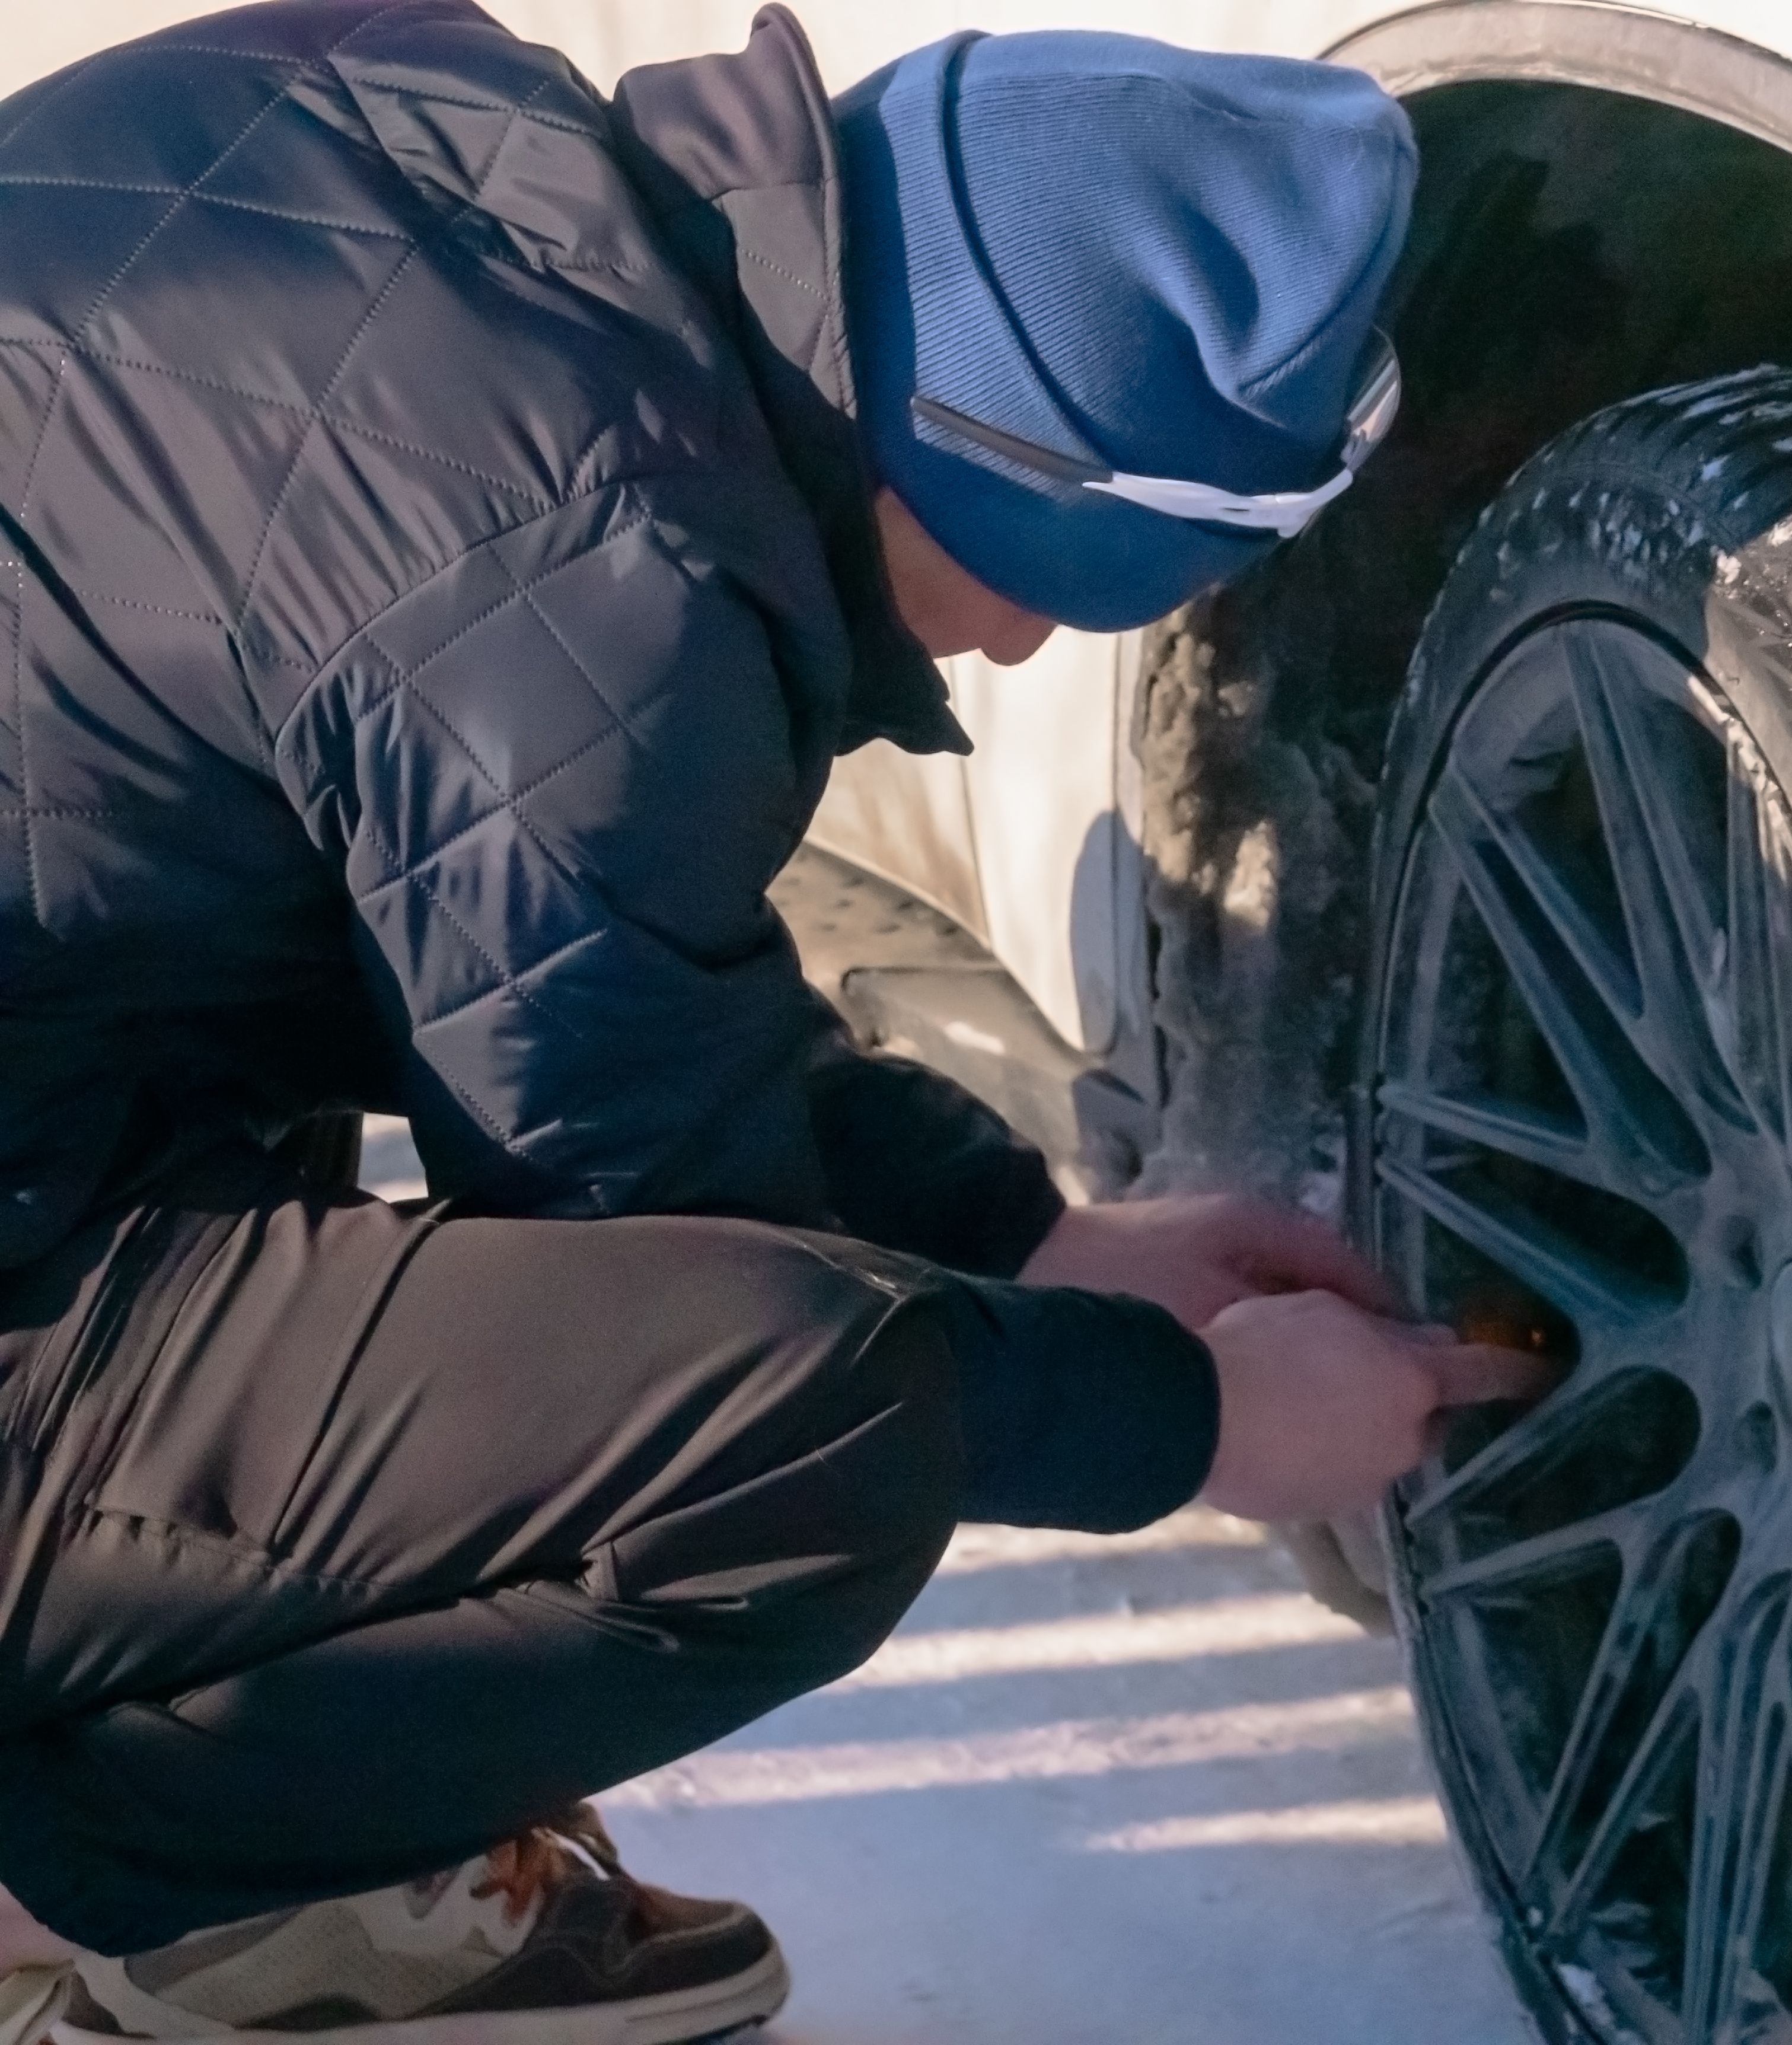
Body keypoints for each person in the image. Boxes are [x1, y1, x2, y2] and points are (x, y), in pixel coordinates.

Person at [0, 4, 1551, 2038]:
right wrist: (1194, 1422)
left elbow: (556, 973)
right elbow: (679, 1278)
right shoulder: (600, 576)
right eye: (1063, 588)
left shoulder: (402, 130)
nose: (1009, 648)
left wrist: (1035, 1234)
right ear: (1013, 467)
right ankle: (70, 1894)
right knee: (802, 1449)